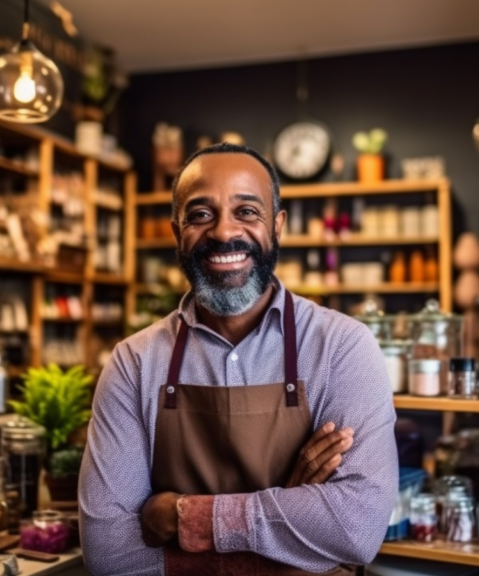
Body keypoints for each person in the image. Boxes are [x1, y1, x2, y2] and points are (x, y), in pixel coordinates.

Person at [79, 142, 400, 575]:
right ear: (177, 232)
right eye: (200, 214)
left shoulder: (342, 347)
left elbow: (355, 529)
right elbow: (110, 555)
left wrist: (185, 516)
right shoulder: (133, 364)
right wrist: (291, 512)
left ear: (278, 226)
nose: (223, 232)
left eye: (247, 211)